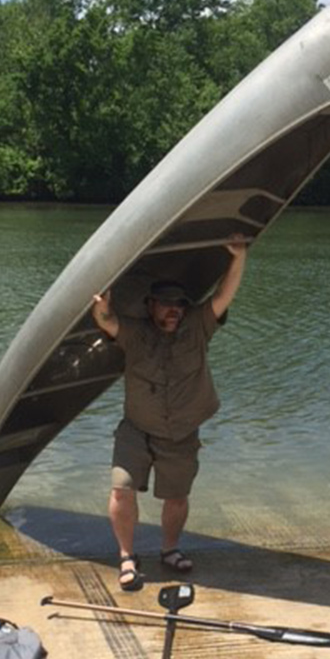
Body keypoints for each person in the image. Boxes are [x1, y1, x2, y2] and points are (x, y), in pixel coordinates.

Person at [91, 236, 247, 591]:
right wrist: (99, 303)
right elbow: (106, 320)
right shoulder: (135, 333)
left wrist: (238, 258)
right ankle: (127, 558)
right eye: (165, 304)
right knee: (121, 490)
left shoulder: (198, 327)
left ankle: (169, 550)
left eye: (178, 304)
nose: (173, 309)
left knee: (176, 497)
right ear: (151, 306)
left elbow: (224, 295)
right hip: (137, 428)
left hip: (181, 430)